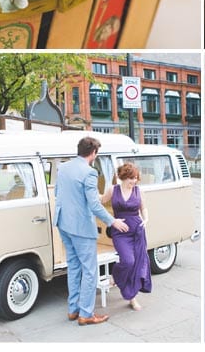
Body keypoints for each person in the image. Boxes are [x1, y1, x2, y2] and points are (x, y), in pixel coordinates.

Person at [54, 136, 128, 326]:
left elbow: (58, 195)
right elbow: (94, 205)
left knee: (74, 267)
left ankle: (73, 310)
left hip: (63, 224)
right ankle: (86, 314)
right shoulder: (89, 172)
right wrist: (112, 221)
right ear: (94, 153)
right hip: (81, 228)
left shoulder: (63, 168)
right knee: (89, 271)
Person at [101, 163, 152, 310]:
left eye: (136, 178)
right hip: (120, 232)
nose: (134, 181)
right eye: (131, 178)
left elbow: (143, 208)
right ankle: (115, 275)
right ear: (123, 177)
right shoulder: (113, 190)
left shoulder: (138, 190)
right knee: (128, 262)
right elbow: (100, 201)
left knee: (136, 265)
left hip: (137, 230)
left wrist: (146, 219)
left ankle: (132, 297)